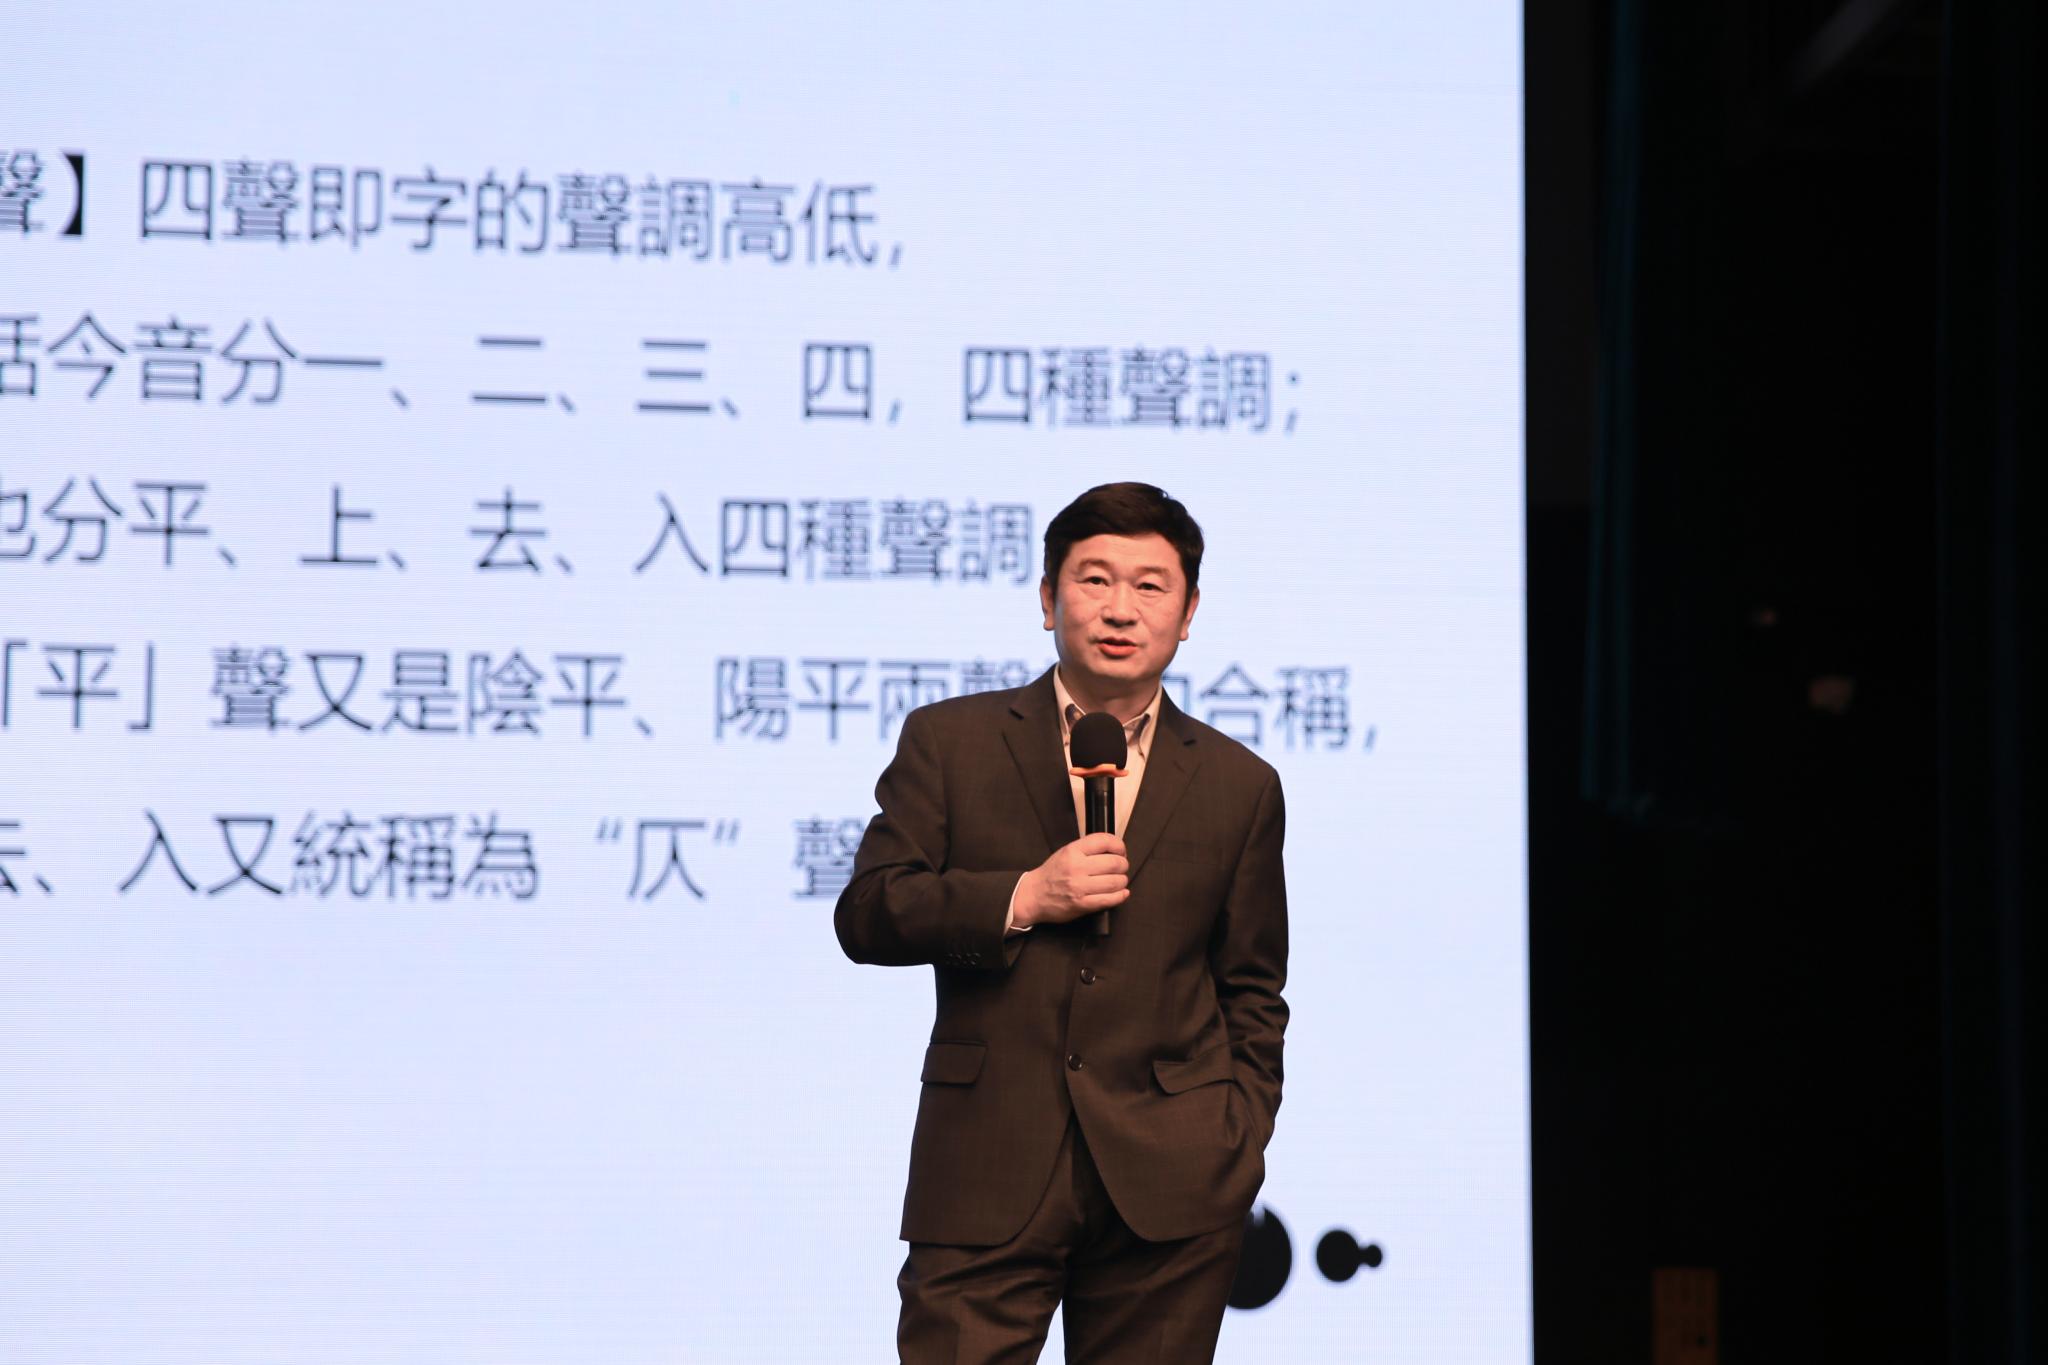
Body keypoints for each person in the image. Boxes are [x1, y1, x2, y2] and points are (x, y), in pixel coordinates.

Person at [835, 481, 1289, 1364]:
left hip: (1174, 1184)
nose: (1120, 608)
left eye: (1150, 585)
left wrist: (1236, 1136)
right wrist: (1022, 897)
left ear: (1189, 613)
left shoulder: (1240, 784)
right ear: (1048, 598)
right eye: (1094, 579)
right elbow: (870, 911)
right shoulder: (951, 742)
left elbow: (1252, 985)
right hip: (987, 1163)